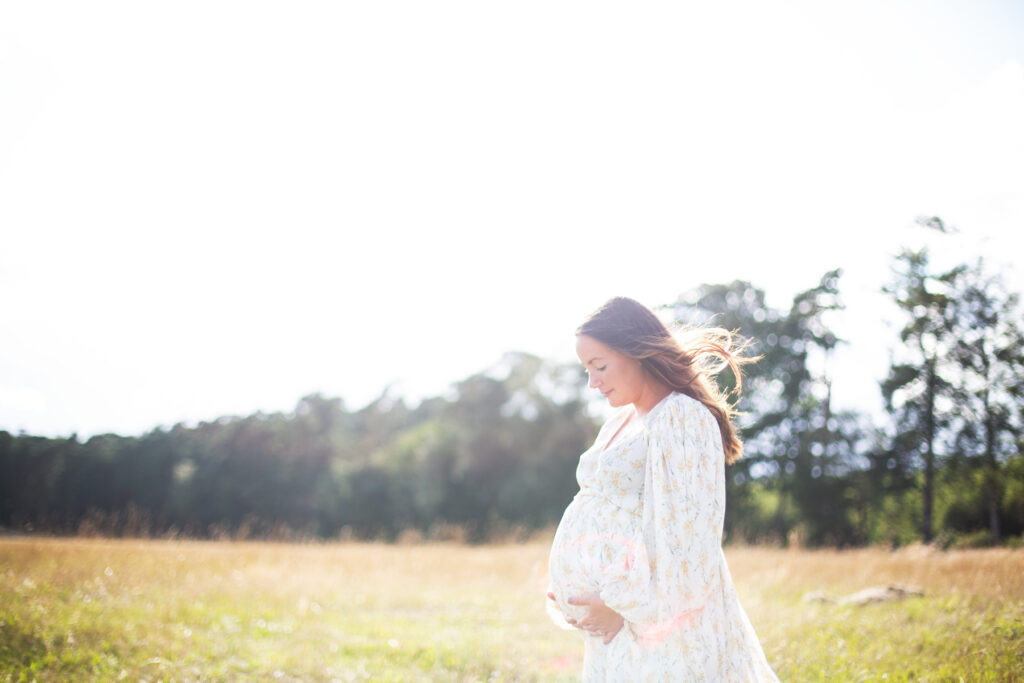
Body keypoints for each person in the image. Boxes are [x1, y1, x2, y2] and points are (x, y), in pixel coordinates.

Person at [546, 296, 779, 681]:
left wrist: (619, 608)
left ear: (636, 352)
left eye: (599, 365)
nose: (593, 382)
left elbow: (689, 543)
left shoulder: (681, 418)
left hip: (658, 628)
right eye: (587, 369)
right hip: (618, 629)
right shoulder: (620, 422)